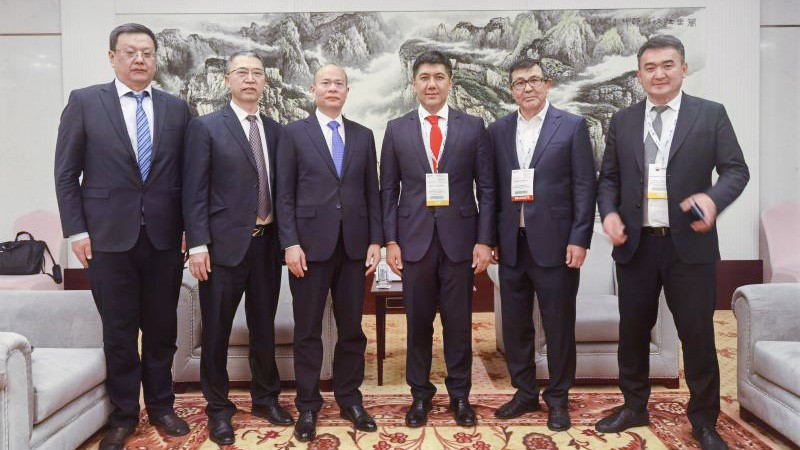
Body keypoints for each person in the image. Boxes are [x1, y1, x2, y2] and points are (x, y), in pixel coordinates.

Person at [595, 35, 749, 450]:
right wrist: (608, 213)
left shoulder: (710, 114)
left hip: (690, 247)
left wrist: (713, 200)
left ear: (683, 68)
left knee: (697, 335)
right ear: (639, 74)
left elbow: (736, 170)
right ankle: (634, 406)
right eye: (650, 67)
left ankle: (704, 420)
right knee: (632, 332)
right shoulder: (623, 120)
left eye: (667, 65)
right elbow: (608, 178)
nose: (658, 74)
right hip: (636, 246)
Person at [54, 23, 192, 450]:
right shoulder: (85, 102)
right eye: (130, 52)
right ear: (112, 56)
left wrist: (190, 230)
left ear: (156, 59)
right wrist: (76, 230)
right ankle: (124, 413)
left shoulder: (176, 108)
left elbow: (190, 177)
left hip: (165, 238)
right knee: (118, 331)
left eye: (147, 52)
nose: (139, 59)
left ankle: (162, 406)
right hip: (107, 238)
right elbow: (66, 173)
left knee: (162, 329)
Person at [380, 50, 495, 428]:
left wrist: (484, 240)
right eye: (425, 77)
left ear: (450, 82)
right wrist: (391, 241)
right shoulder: (396, 129)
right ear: (414, 83)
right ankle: (420, 396)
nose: (432, 84)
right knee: (418, 324)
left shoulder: (473, 126)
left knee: (458, 324)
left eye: (439, 77)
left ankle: (460, 395)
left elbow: (487, 189)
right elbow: (388, 191)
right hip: (413, 242)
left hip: (460, 242)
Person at [183, 51, 292, 446]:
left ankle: (266, 399)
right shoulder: (206, 127)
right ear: (228, 79)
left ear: (265, 81)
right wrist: (197, 244)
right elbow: (193, 190)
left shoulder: (277, 131)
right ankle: (218, 408)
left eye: (257, 73)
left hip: (267, 247)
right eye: (242, 72)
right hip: (222, 249)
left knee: (263, 327)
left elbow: (284, 191)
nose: (250, 79)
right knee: (217, 331)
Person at [487, 58, 596, 431]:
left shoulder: (572, 126)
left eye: (534, 80)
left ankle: (558, 398)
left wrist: (579, 238)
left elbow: (585, 186)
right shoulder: (498, 130)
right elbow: (491, 189)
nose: (527, 87)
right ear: (511, 90)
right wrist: (491, 238)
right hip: (511, 245)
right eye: (519, 82)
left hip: (557, 244)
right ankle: (524, 392)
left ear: (547, 84)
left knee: (558, 325)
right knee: (516, 325)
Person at [276, 64, 382, 442]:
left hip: (354, 248)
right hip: (308, 249)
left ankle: (350, 399)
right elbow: (284, 194)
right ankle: (308, 405)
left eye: (339, 83)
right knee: (307, 330)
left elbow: (372, 192)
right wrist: (289, 243)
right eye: (326, 83)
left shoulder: (363, 135)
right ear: (313, 89)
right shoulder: (293, 134)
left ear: (347, 91)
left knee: (351, 329)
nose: (333, 88)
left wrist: (376, 240)